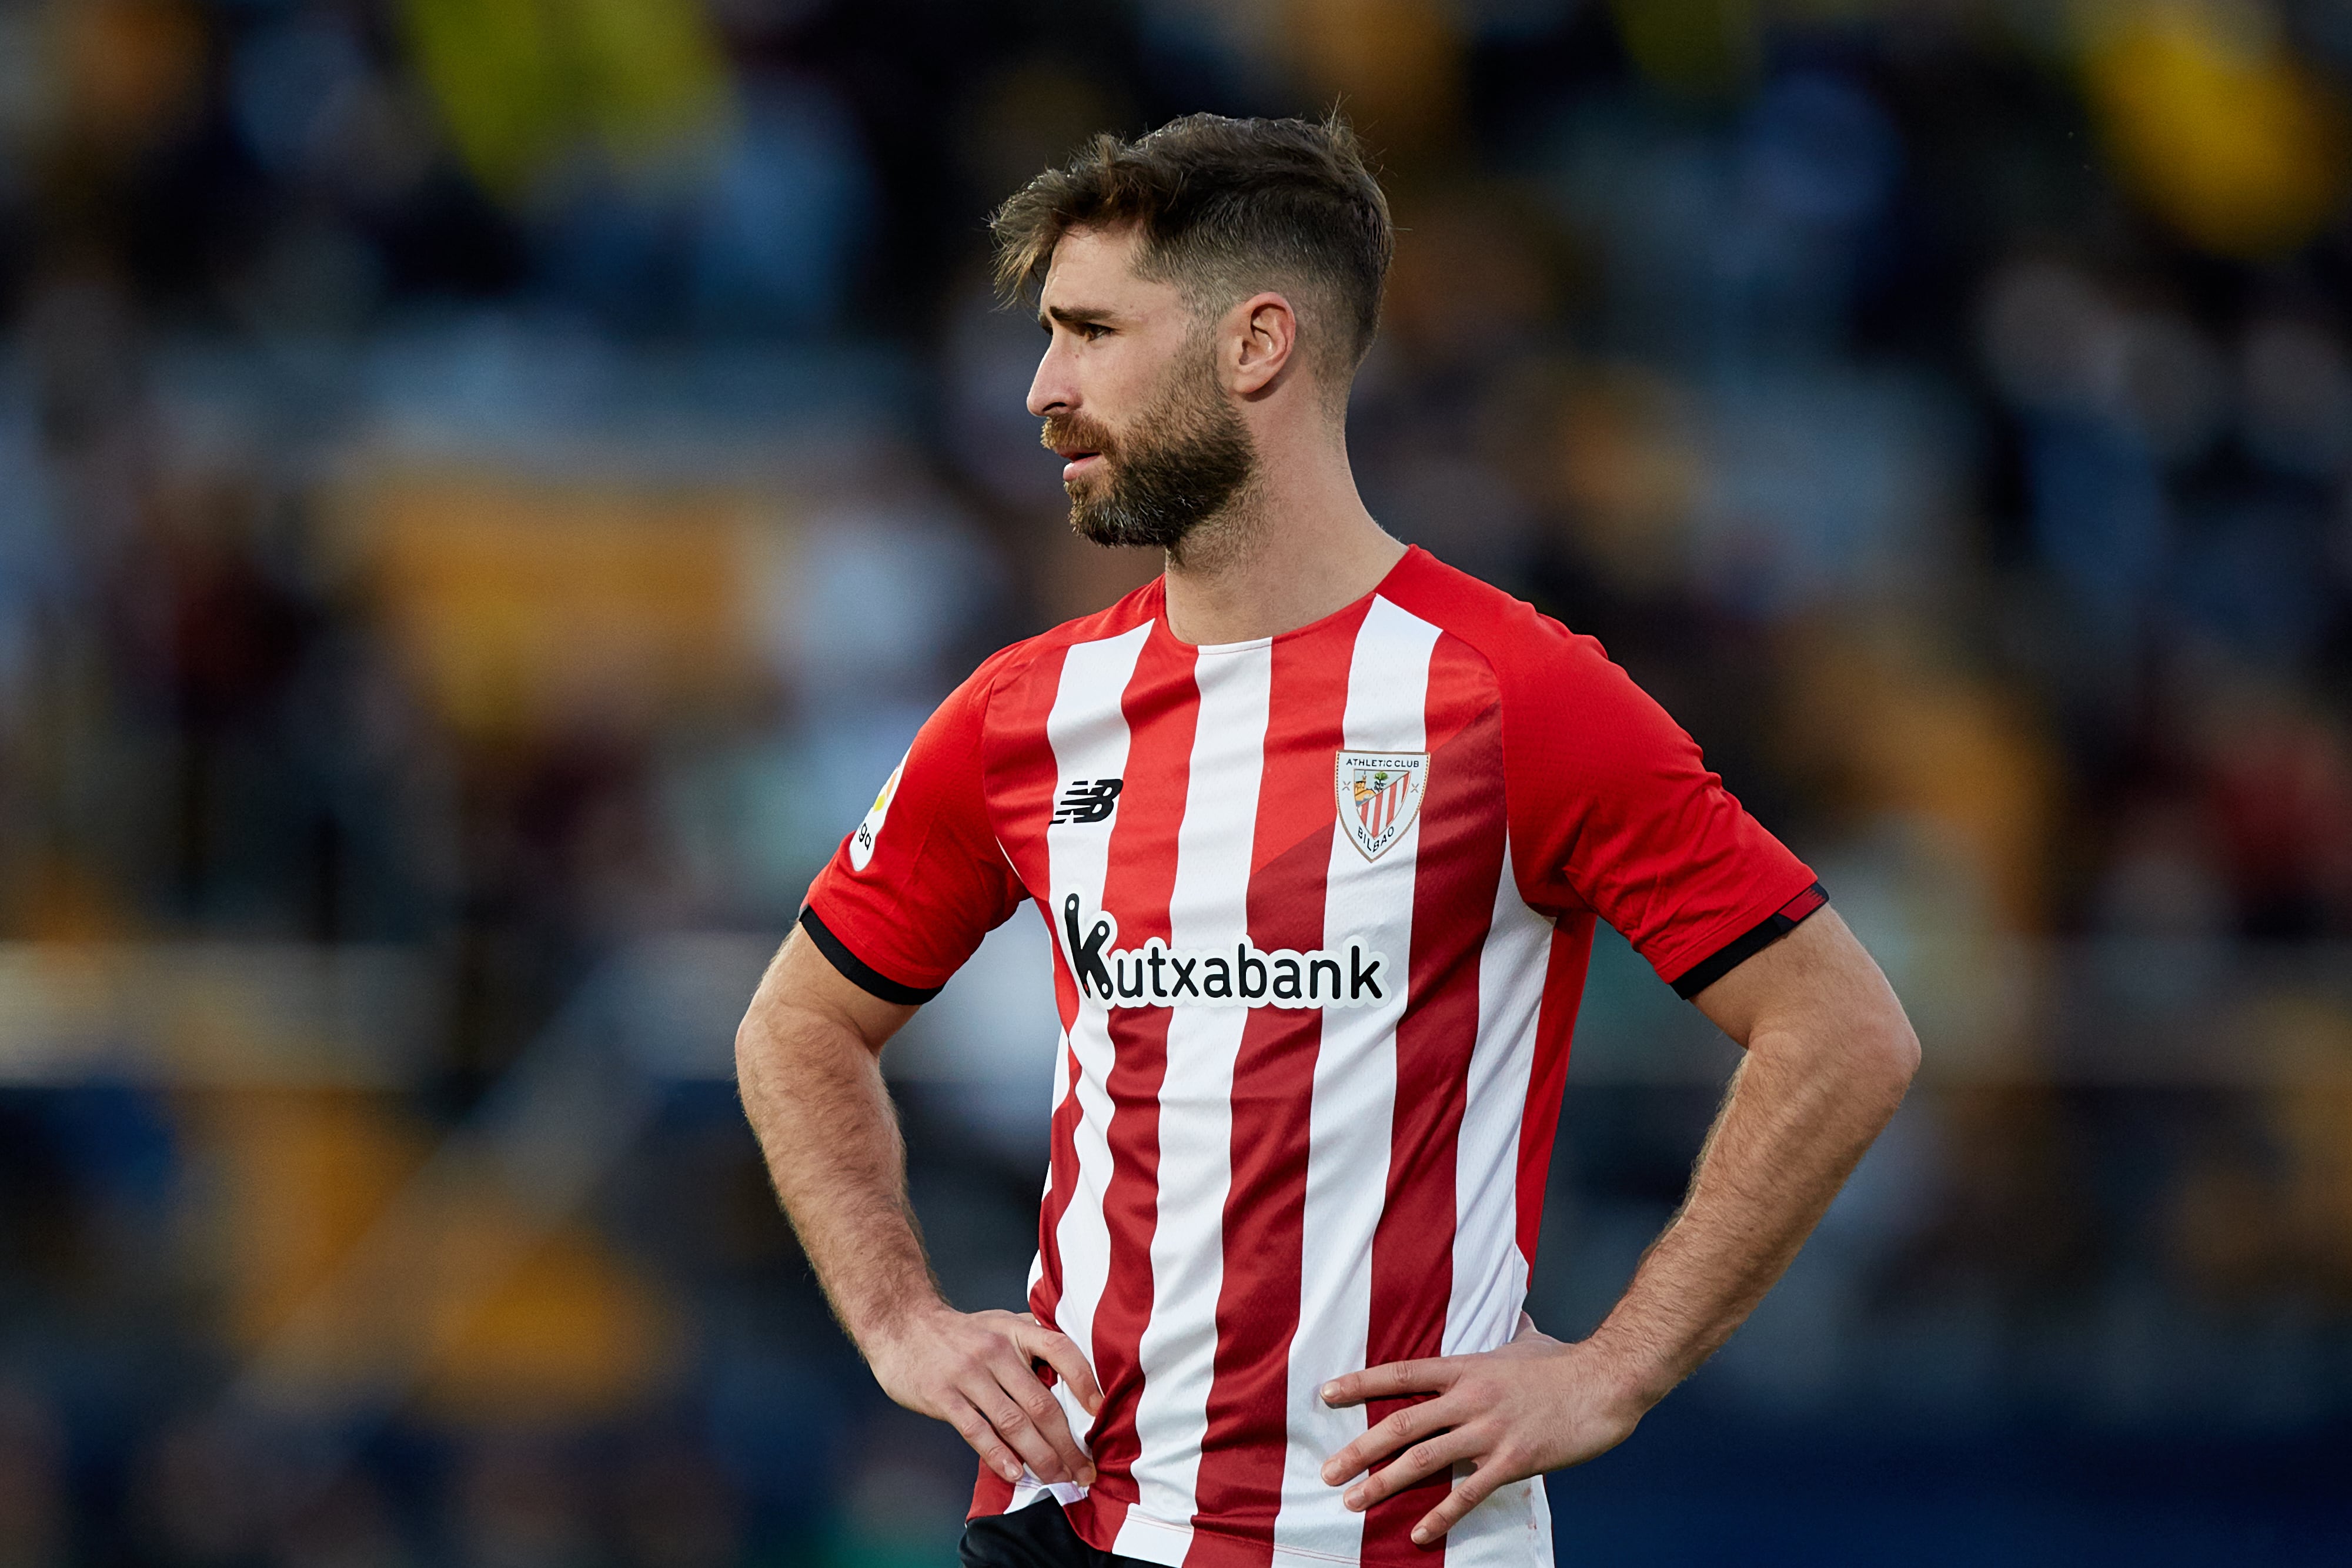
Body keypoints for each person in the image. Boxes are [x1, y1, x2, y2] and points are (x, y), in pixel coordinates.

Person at [734, 113, 1919, 1568]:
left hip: (1394, 1540)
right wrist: (898, 1318)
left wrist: (1615, 1364)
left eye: (1091, 331)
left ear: (1257, 345)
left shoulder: (1513, 696)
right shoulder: (1025, 711)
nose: (1043, 389)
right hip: (1072, 1528)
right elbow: (797, 1023)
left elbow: (1839, 1029)